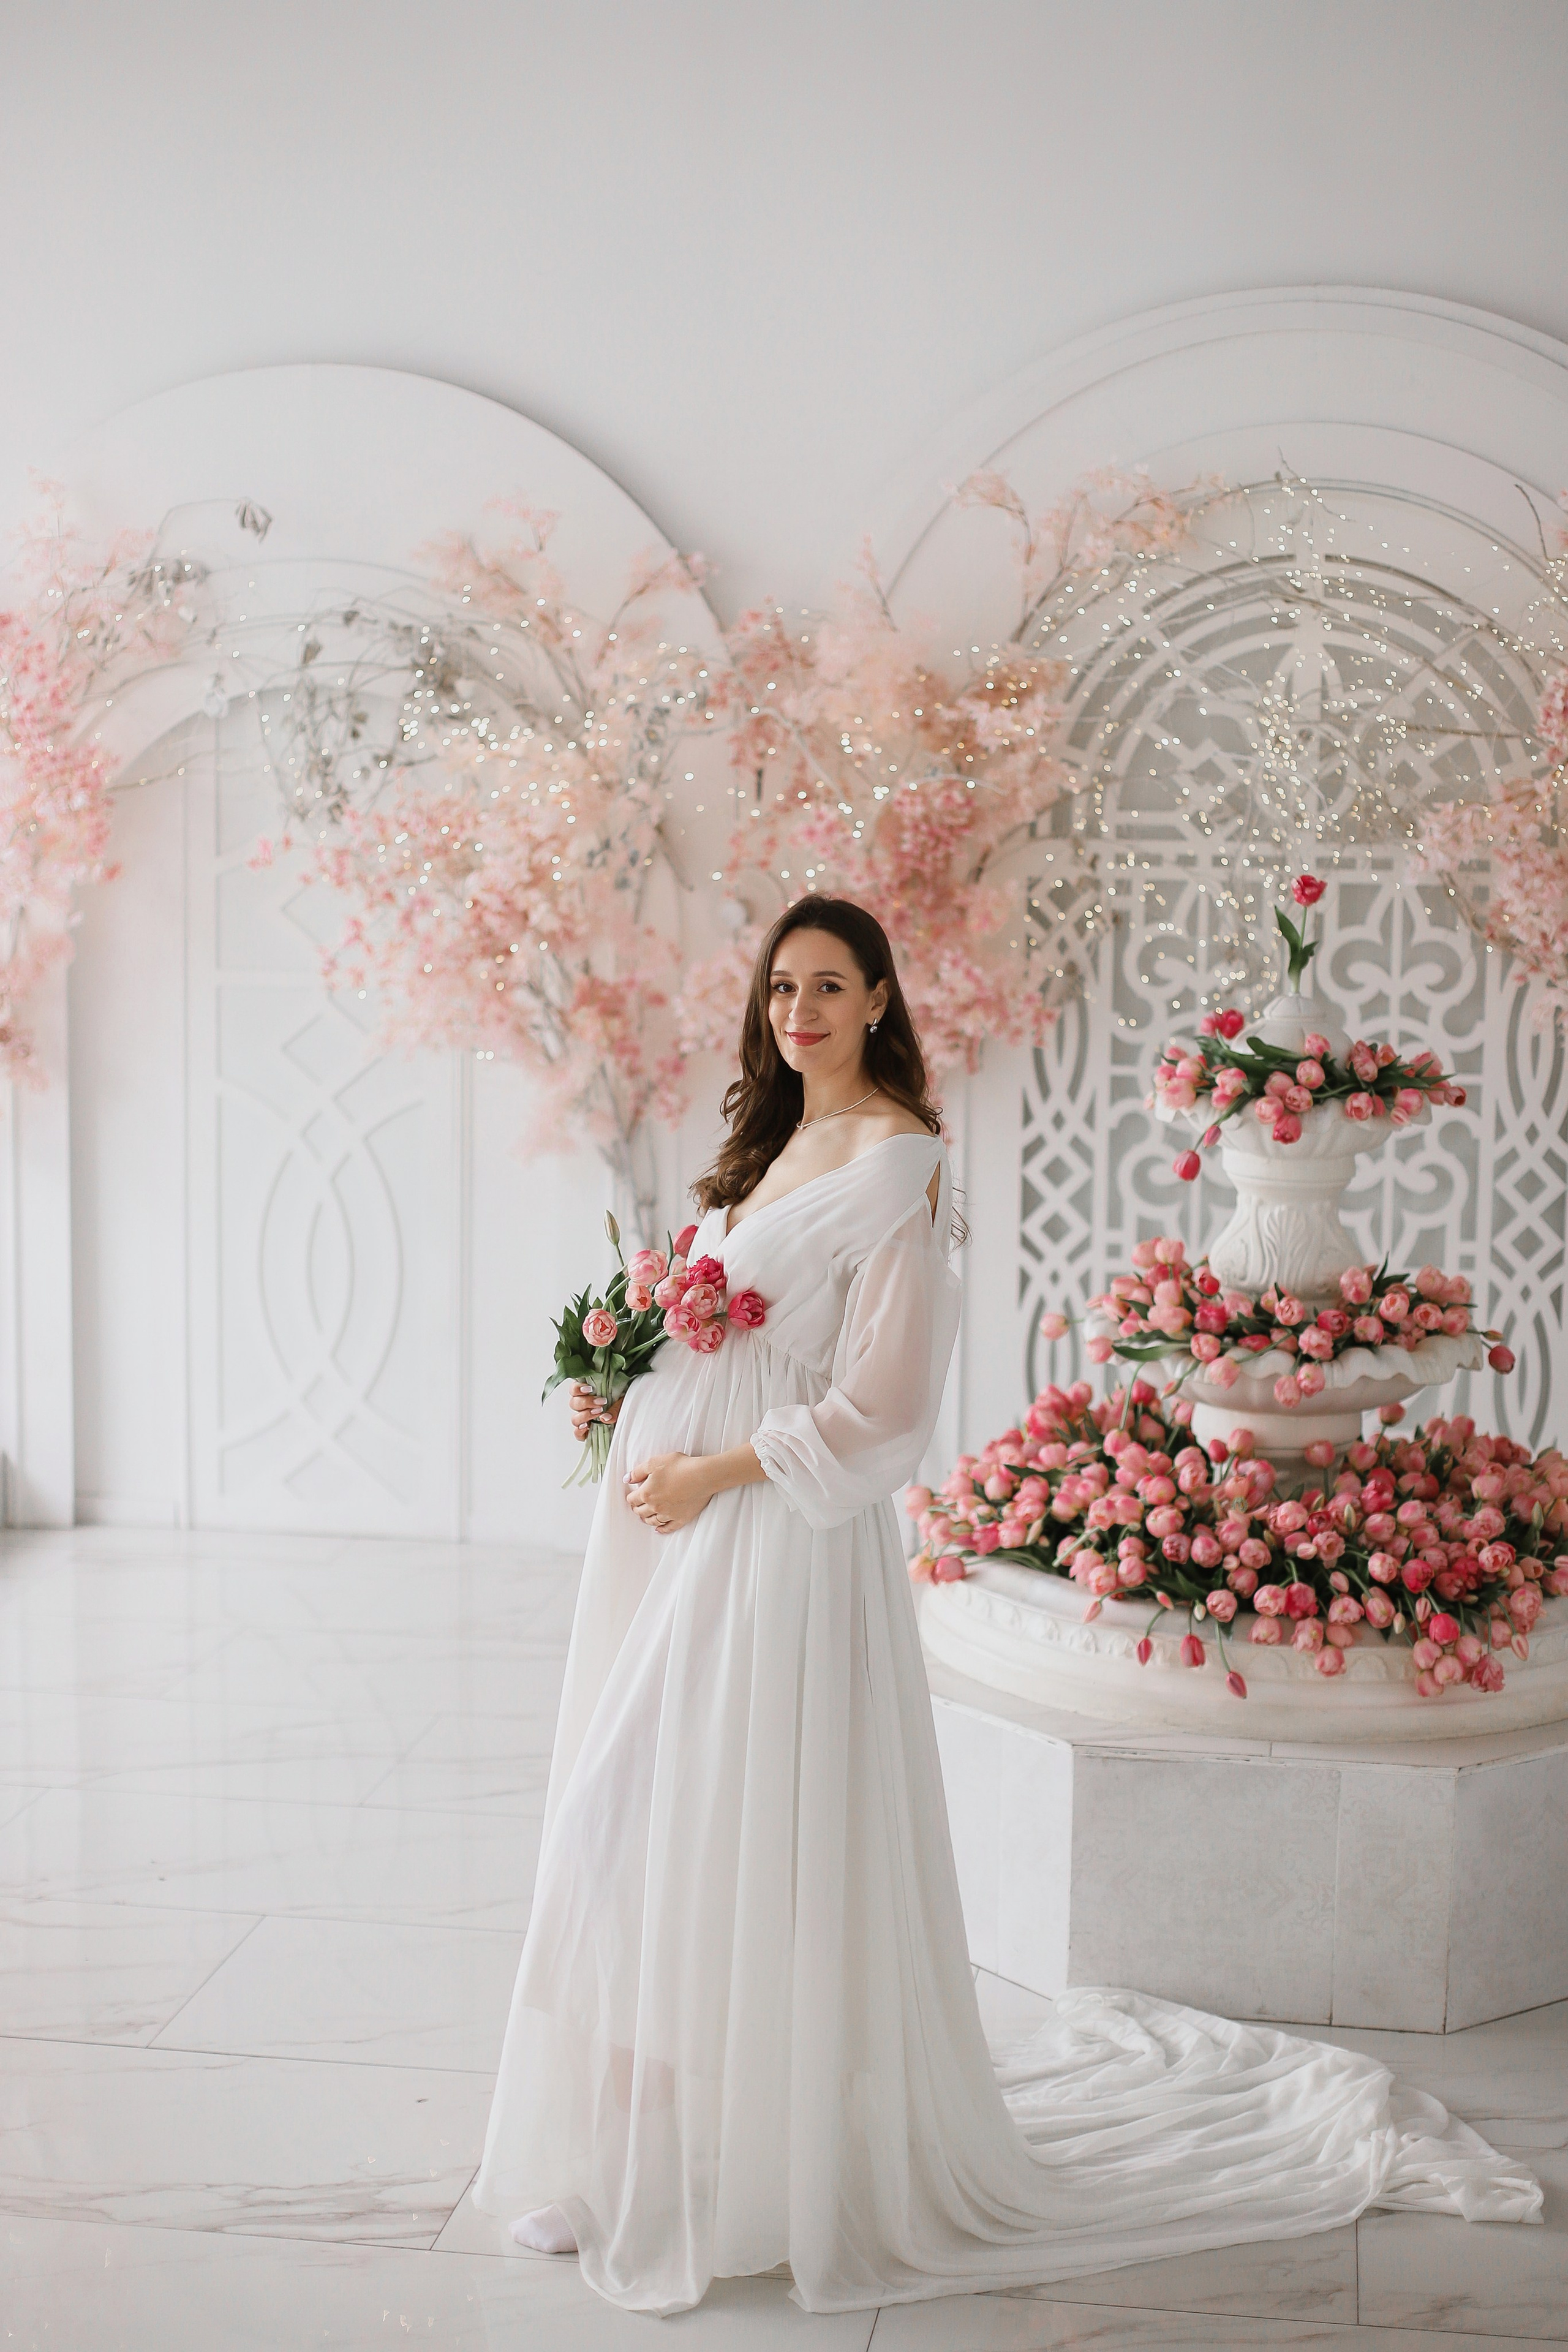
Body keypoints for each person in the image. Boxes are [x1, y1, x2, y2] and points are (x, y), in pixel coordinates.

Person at [472, 895, 1540, 2317]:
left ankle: (723, 2170)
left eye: (828, 987)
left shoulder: (896, 1161)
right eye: (781, 987)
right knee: (634, 1818)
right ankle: (628, 2147)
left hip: (768, 1536)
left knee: (688, 1816)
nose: (799, 1011)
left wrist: (716, 1467)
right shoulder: (774, 1137)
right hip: (684, 1531)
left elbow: (884, 1412)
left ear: (875, 1002)